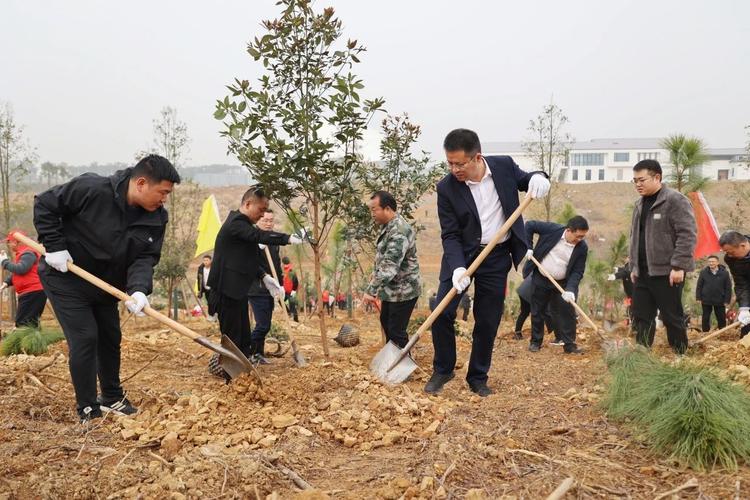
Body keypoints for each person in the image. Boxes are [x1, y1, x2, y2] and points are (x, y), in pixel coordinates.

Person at [33, 155, 180, 422]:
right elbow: (44, 203)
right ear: (142, 183)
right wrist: (54, 246)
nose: (164, 199)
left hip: (105, 285)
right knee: (86, 336)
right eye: (163, 192)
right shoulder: (92, 189)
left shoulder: (157, 218)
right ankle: (88, 407)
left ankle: (111, 397)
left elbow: (145, 257)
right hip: (67, 277)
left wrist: (138, 289)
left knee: (110, 336)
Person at [425, 128, 550, 397]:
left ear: (477, 157)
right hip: (461, 255)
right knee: (442, 312)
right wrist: (458, 267)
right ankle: (443, 369)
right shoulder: (446, 188)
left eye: (459, 163)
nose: (454, 169)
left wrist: (540, 177)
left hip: (496, 255)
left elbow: (528, 180)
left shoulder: (503, 167)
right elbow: (450, 233)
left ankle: (477, 377)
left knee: (487, 318)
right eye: (449, 162)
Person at [207, 186, 303, 362]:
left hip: (237, 292)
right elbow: (258, 235)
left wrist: (264, 277)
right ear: (248, 203)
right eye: (261, 210)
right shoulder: (236, 223)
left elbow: (245, 260)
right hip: (225, 293)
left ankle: (244, 374)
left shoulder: (243, 226)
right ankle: (234, 380)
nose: (262, 214)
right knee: (233, 340)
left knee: (243, 338)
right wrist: (288, 238)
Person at [628, 159, 696, 354]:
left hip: (667, 272)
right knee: (642, 316)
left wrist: (678, 266)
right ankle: (642, 355)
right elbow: (635, 236)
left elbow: (687, 234)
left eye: (642, 180)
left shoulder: (675, 200)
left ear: (657, 177)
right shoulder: (639, 204)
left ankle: (680, 356)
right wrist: (633, 266)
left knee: (671, 316)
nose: (638, 184)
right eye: (635, 181)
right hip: (642, 272)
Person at [361, 191, 421, 348]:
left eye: (375, 210)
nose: (372, 214)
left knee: (396, 330)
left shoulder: (399, 231)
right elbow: (384, 258)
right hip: (392, 290)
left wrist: (371, 290)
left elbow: (390, 266)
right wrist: (375, 277)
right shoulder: (389, 226)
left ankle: (403, 368)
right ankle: (392, 362)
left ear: (387, 209)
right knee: (387, 322)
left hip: (403, 290)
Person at [524, 216, 589, 354]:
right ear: (569, 230)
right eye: (578, 236)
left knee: (568, 312)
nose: (580, 239)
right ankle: (535, 342)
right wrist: (528, 247)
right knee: (538, 311)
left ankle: (569, 345)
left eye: (583, 237)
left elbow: (577, 271)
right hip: (541, 277)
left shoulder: (582, 247)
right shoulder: (552, 230)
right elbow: (529, 225)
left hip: (563, 283)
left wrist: (570, 290)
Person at [247, 209, 283, 364]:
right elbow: (250, 263)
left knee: (265, 324)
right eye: (265, 220)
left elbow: (277, 265)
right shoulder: (252, 238)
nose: (268, 223)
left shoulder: (273, 239)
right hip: (257, 288)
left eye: (271, 220)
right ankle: (248, 352)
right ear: (258, 220)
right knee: (263, 325)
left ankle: (258, 353)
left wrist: (280, 285)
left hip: (271, 288)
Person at [0, 230, 47, 328]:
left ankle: (26, 342)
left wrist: (4, 261)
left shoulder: (28, 253)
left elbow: (21, 269)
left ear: (17, 242)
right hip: (30, 293)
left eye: (9, 242)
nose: (8, 245)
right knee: (29, 322)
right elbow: (18, 274)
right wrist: (7, 282)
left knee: (23, 323)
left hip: (33, 292)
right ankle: (32, 342)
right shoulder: (22, 254)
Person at [719, 231, 750, 337]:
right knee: (746, 324)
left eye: (731, 252)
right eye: (727, 252)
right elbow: (741, 283)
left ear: (743, 245)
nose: (729, 255)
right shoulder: (730, 259)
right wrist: (744, 308)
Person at [695, 255, 732, 332]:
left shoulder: (724, 273)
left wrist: (727, 300)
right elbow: (699, 286)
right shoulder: (703, 272)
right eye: (709, 262)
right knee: (705, 317)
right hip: (706, 299)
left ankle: (722, 332)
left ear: (717, 262)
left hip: (720, 299)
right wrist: (698, 297)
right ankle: (705, 333)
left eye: (713, 261)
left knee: (721, 317)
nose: (711, 263)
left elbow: (728, 288)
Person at [281, 256, 300, 322]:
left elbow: (295, 281)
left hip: (291, 291)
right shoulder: (285, 270)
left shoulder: (290, 270)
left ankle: (296, 320)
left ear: (283, 263)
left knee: (292, 306)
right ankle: (288, 312)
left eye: (282, 263)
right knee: (280, 300)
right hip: (286, 291)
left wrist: (293, 290)